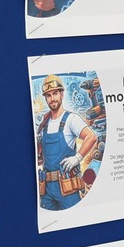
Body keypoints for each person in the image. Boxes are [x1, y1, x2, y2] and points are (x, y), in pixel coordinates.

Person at [35, 74, 98, 210]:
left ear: (62, 94)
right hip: (46, 189)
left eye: (55, 93)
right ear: (45, 98)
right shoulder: (43, 124)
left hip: (68, 187)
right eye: (48, 95)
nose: (52, 98)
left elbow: (91, 137)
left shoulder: (71, 119)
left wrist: (77, 158)